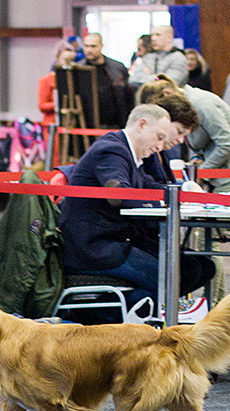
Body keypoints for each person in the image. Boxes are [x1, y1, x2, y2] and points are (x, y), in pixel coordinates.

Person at [57, 104, 214, 311]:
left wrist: (182, 191)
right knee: (176, 277)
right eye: (159, 137)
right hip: (93, 248)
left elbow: (151, 187)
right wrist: (166, 199)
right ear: (142, 125)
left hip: (115, 240)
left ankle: (129, 313)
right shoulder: (111, 150)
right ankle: (103, 314)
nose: (161, 146)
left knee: (201, 267)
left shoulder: (130, 153)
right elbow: (119, 196)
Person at [137, 74, 230, 194]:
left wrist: (202, 172)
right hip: (216, 176)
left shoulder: (203, 104)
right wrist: (196, 159)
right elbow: (198, 142)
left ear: (167, 94)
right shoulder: (188, 106)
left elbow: (226, 143)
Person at [77, 33, 131, 129]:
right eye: (86, 46)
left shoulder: (118, 68)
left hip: (115, 121)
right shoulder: (79, 69)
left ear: (101, 46)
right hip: (88, 123)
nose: (89, 50)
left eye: (93, 46)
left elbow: (127, 95)